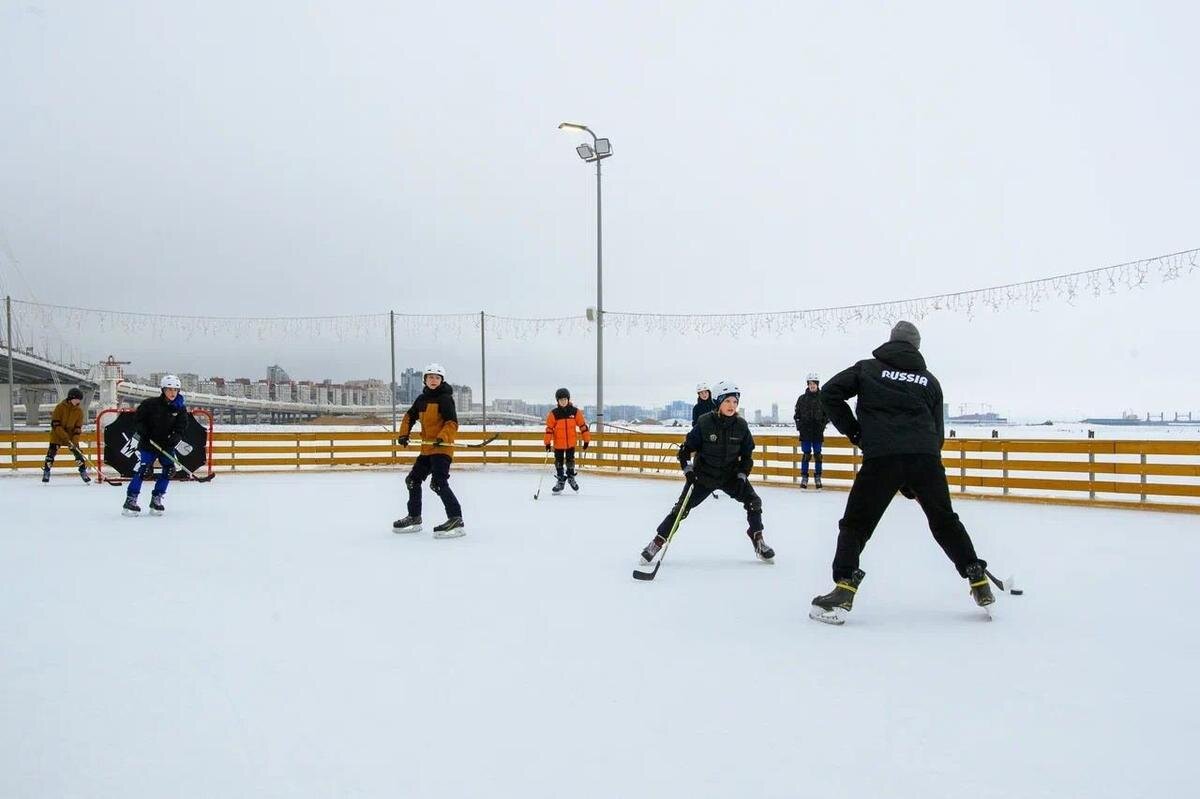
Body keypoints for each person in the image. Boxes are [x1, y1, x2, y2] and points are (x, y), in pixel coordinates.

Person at [809, 321, 994, 624]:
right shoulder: (929, 381)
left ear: (891, 341)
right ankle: (977, 577)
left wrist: (856, 433)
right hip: (925, 458)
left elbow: (829, 393)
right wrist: (918, 472)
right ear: (917, 347)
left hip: (882, 458)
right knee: (945, 521)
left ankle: (843, 588)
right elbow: (938, 431)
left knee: (856, 524)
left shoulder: (868, 369)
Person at [640, 380, 775, 565]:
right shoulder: (704, 423)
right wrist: (688, 471)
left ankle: (758, 538)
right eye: (727, 401)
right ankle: (657, 541)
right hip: (703, 476)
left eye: (735, 402)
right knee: (681, 509)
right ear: (718, 402)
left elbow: (747, 456)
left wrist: (742, 475)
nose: (732, 406)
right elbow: (685, 451)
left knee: (754, 502)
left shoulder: (742, 426)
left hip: (730, 476)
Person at [391, 363, 465, 538]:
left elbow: (452, 423)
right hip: (427, 449)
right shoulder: (421, 399)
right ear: (425, 380)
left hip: (442, 449)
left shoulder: (445, 399)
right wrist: (404, 434)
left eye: (437, 378)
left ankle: (456, 519)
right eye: (430, 377)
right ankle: (414, 517)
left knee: (438, 483)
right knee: (412, 480)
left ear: (442, 380)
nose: (433, 380)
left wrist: (442, 437)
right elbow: (409, 416)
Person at [122, 375, 191, 516]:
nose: (172, 393)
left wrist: (176, 437)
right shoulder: (150, 404)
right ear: (163, 390)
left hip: (166, 445)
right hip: (149, 443)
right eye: (169, 389)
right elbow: (138, 420)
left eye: (175, 390)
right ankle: (131, 499)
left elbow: (181, 426)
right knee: (144, 470)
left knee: (169, 470)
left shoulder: (180, 408)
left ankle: (156, 498)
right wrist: (144, 432)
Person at [544, 387, 591, 494]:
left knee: (570, 461)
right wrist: (547, 443)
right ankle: (560, 480)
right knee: (559, 462)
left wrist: (586, 440)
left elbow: (583, 426)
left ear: (568, 399)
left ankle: (571, 477)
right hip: (558, 444)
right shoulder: (554, 413)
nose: (563, 402)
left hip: (570, 443)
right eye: (561, 400)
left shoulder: (575, 412)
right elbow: (549, 429)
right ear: (557, 401)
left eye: (565, 399)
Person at [43, 387, 90, 484]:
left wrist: (74, 441)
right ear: (71, 398)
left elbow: (78, 428)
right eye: (77, 399)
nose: (78, 401)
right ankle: (46, 471)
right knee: (51, 454)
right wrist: (65, 437)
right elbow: (55, 424)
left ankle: (83, 471)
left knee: (78, 454)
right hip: (58, 435)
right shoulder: (60, 407)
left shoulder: (79, 411)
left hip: (72, 436)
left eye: (79, 400)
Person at [793, 372, 828, 489]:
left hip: (818, 432)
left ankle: (818, 477)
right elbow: (797, 415)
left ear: (817, 384)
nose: (812, 385)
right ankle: (804, 478)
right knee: (806, 455)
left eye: (814, 383)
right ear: (807, 384)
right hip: (805, 432)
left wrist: (822, 425)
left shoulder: (823, 398)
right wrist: (800, 426)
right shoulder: (802, 399)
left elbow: (827, 415)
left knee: (818, 455)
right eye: (810, 383)